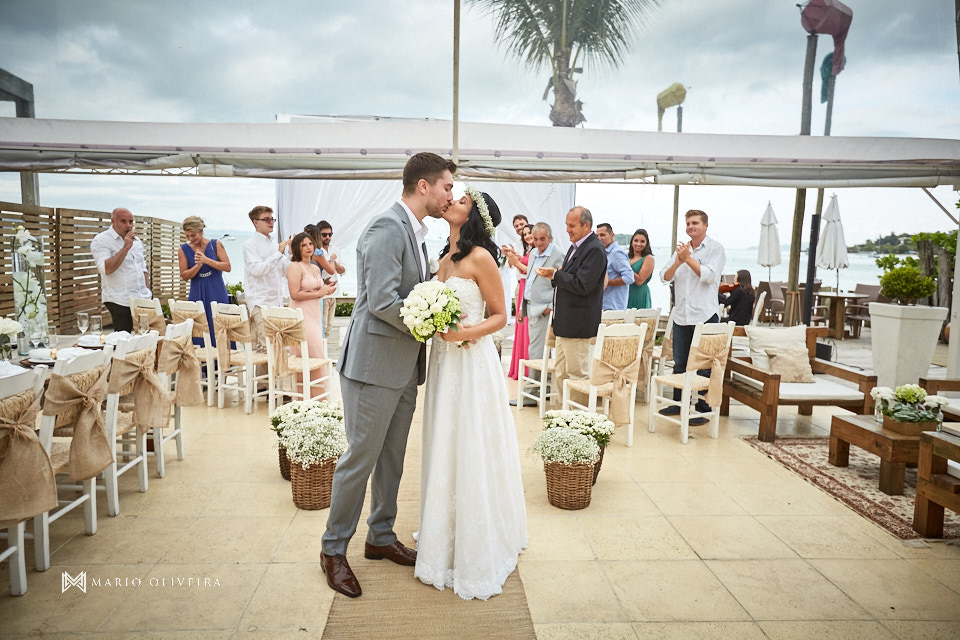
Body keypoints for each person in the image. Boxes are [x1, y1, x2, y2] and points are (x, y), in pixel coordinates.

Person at [321, 152, 456, 599]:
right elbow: (380, 300)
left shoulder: (416, 233)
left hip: (402, 368)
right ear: (424, 186)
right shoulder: (385, 227)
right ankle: (333, 549)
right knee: (360, 459)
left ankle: (379, 536)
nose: (449, 196)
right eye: (446, 187)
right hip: (373, 367)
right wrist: (433, 323)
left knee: (392, 458)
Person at [416, 186, 527, 600]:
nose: (451, 202)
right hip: (444, 363)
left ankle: (477, 542)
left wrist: (464, 333)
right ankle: (444, 535)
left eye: (461, 201)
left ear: (474, 216)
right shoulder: (444, 259)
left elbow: (501, 316)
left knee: (472, 441)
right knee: (446, 440)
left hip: (472, 361)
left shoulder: (482, 258)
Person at [659, 209, 726, 424]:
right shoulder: (681, 250)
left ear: (706, 225)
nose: (690, 227)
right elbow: (664, 276)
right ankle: (679, 403)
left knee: (704, 366)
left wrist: (688, 259)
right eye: (688, 223)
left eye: (695, 223)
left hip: (705, 315)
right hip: (681, 315)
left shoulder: (716, 249)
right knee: (680, 363)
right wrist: (679, 261)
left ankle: (703, 408)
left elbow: (708, 276)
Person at [535, 206, 606, 392]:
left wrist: (555, 276)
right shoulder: (576, 247)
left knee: (578, 375)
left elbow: (583, 285)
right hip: (564, 323)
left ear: (586, 225)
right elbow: (570, 276)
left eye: (572, 225)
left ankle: (577, 418)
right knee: (561, 373)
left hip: (578, 326)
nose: (568, 230)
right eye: (567, 225)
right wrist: (556, 274)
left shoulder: (595, 249)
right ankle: (561, 414)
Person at [509, 222, 564, 406]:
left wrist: (550, 306)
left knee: (536, 351)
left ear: (550, 238)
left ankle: (532, 393)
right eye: (536, 239)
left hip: (544, 310)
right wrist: (522, 307)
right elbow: (530, 279)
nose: (539, 243)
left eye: (543, 239)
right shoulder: (533, 253)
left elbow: (563, 285)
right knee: (538, 351)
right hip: (531, 307)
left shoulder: (558, 256)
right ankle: (543, 388)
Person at [287, 232, 336, 396]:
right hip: (301, 314)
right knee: (310, 351)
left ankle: (318, 394)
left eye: (310, 244)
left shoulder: (315, 267)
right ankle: (306, 395)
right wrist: (318, 293)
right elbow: (294, 294)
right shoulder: (295, 267)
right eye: (304, 245)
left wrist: (326, 290)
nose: (308, 247)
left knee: (317, 351)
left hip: (314, 313)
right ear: (297, 249)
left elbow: (318, 290)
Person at [90, 207, 151, 332]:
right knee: (123, 342)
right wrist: (125, 248)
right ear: (113, 221)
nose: (128, 225)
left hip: (142, 298)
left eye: (131, 221)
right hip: (120, 300)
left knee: (146, 339)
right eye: (123, 221)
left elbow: (142, 267)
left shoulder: (137, 241)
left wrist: (147, 290)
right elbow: (106, 269)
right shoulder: (101, 240)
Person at [243, 205, 290, 350]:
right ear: (255, 222)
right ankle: (265, 374)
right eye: (266, 219)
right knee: (265, 348)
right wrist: (278, 253)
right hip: (261, 302)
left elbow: (284, 270)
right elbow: (256, 270)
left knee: (279, 346)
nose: (271, 222)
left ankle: (277, 374)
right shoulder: (250, 245)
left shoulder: (274, 244)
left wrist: (292, 255)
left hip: (277, 302)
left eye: (272, 219)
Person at [177, 216, 230, 345]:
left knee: (220, 325)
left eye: (193, 235)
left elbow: (227, 266)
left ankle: (223, 361)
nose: (190, 239)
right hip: (197, 292)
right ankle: (202, 363)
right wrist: (197, 266)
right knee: (199, 328)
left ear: (201, 231)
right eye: (187, 236)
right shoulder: (183, 249)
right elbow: (184, 276)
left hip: (217, 290)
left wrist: (207, 260)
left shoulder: (215, 244)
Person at [505, 223, 534, 379]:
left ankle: (527, 369)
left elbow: (528, 269)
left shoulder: (537, 251)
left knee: (526, 329)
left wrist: (515, 261)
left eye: (529, 233)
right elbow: (523, 264)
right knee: (520, 328)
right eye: (525, 234)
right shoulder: (531, 251)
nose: (527, 236)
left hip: (527, 289)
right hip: (523, 286)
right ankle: (520, 366)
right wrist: (514, 255)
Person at [317, 220, 345, 338]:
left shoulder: (335, 250)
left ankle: (325, 349)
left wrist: (334, 263)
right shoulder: (316, 251)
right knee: (322, 325)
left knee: (329, 326)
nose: (327, 237)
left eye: (330, 234)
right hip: (322, 293)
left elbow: (342, 270)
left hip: (334, 292)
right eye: (324, 235)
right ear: (318, 234)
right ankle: (321, 351)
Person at [596, 223, 634, 311]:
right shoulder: (604, 253)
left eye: (602, 235)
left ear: (612, 235)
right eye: (597, 235)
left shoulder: (616, 253)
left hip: (613, 308)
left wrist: (605, 283)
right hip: (603, 306)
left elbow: (629, 278)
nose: (599, 238)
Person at [627, 229, 655, 309]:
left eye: (642, 241)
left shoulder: (648, 258)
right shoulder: (627, 257)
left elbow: (639, 281)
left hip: (639, 294)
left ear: (646, 244)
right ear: (632, 242)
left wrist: (626, 267)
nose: (638, 244)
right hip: (626, 293)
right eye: (636, 241)